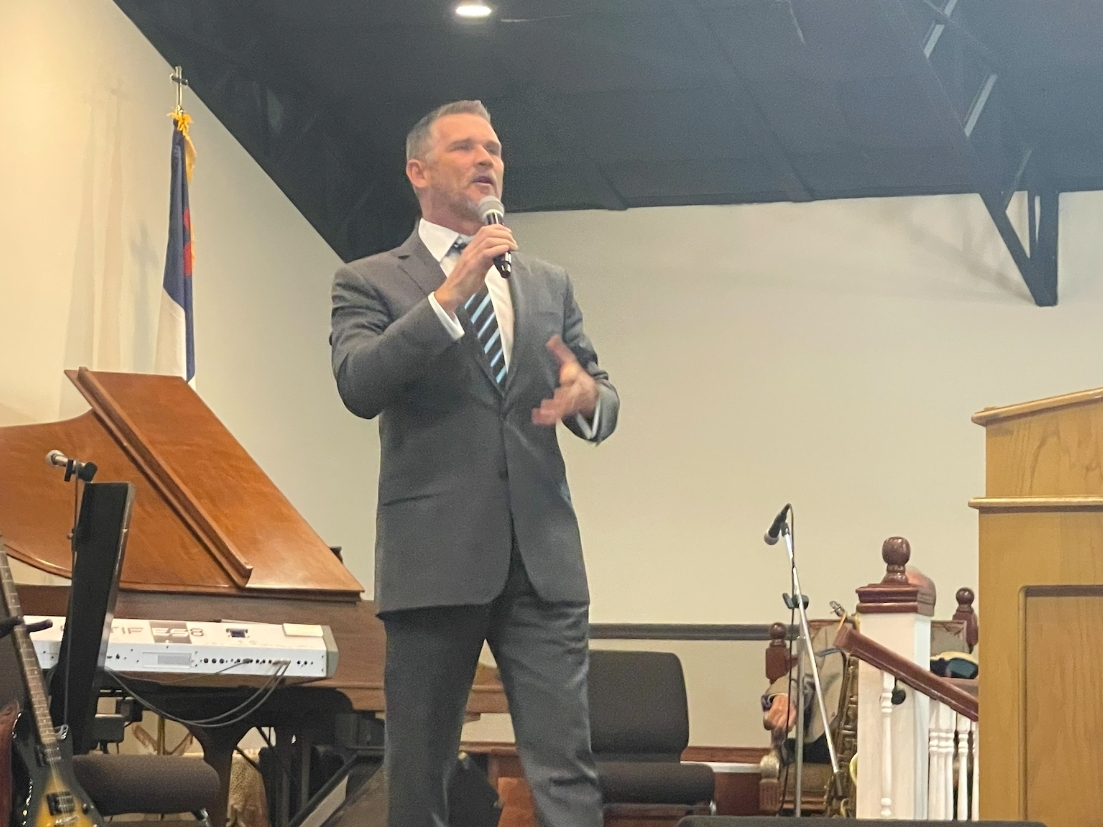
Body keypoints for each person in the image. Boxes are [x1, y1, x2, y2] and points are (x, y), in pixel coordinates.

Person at [329, 100, 619, 827]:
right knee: (419, 770)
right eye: (465, 147)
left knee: (566, 768)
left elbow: (596, 389)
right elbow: (359, 384)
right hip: (433, 560)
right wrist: (451, 292)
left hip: (542, 558)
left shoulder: (547, 283)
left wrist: (587, 398)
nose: (487, 159)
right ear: (418, 171)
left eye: (494, 148)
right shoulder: (368, 280)